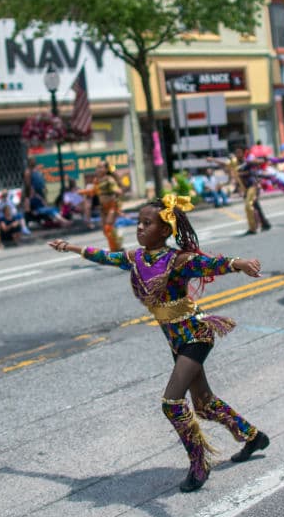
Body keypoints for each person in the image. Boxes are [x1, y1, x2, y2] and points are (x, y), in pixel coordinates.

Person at [48, 194, 268, 492]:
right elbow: (104, 256)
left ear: (165, 230)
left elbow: (209, 264)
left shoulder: (178, 260)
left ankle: (199, 463)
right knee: (203, 404)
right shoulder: (136, 258)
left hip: (195, 334)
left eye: (147, 223)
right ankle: (252, 436)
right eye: (138, 223)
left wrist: (239, 263)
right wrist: (71, 247)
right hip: (175, 339)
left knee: (172, 403)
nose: (139, 228)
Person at [81, 161, 124, 251]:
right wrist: (82, 192)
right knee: (105, 231)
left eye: (101, 167)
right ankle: (117, 243)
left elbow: (118, 191)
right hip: (103, 208)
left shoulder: (109, 179)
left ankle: (115, 249)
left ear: (106, 169)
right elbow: (93, 192)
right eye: (97, 167)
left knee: (108, 228)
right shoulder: (96, 181)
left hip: (112, 206)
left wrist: (117, 193)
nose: (98, 169)